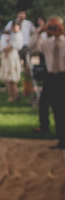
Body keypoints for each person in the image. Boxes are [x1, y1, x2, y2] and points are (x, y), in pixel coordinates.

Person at [32, 17, 65, 149]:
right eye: (51, 27)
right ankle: (45, 127)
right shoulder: (47, 43)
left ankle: (62, 139)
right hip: (51, 76)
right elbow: (32, 47)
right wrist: (39, 32)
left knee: (60, 109)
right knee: (44, 102)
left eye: (55, 27)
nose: (54, 29)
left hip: (63, 76)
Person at [0, 23, 23, 102]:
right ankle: (12, 94)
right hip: (8, 57)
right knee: (9, 77)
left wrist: (7, 49)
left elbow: (13, 46)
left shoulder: (18, 35)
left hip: (12, 57)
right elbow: (1, 45)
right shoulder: (10, 35)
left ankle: (14, 95)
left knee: (12, 77)